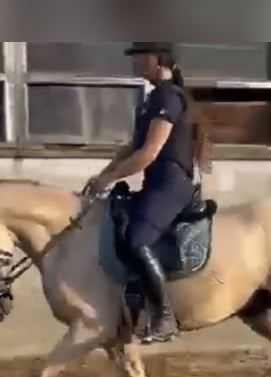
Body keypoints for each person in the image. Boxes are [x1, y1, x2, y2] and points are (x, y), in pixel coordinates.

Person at [87, 42, 212, 344]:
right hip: (155, 183)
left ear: (157, 60)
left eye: (139, 56)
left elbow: (149, 152)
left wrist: (112, 177)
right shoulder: (152, 99)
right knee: (120, 223)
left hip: (170, 185)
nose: (133, 62)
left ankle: (164, 317)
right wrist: (103, 175)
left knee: (137, 238)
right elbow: (131, 147)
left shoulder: (169, 97)